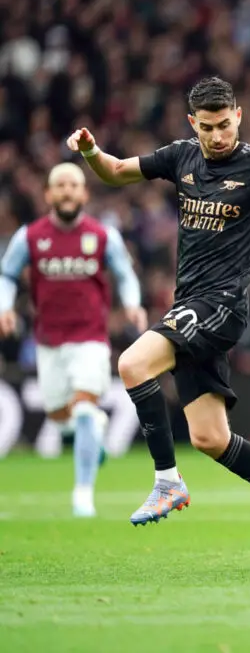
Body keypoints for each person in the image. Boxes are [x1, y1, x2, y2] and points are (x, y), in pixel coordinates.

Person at [65, 76, 250, 567]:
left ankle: (166, 481)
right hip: (188, 304)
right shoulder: (181, 156)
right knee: (210, 438)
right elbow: (116, 171)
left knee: (132, 364)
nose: (217, 136)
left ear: (239, 116)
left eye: (225, 125)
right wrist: (90, 152)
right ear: (193, 123)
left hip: (222, 305)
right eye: (207, 127)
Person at [0, 162, 147, 518]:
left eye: (73, 185)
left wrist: (132, 304)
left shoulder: (102, 235)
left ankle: (83, 494)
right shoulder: (29, 236)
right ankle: (94, 431)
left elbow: (125, 274)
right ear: (48, 194)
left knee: (83, 409)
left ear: (84, 193)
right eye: (60, 185)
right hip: (48, 341)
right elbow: (7, 275)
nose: (67, 191)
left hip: (90, 339)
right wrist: (5, 307)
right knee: (60, 415)